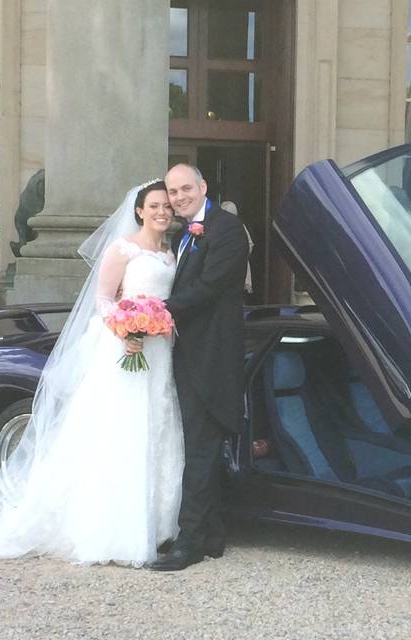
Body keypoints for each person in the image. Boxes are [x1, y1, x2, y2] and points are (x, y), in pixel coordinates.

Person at [0, 181, 185, 567]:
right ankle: (111, 529)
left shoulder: (169, 252)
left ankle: (157, 526)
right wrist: (126, 329)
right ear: (140, 210)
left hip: (159, 351)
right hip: (124, 347)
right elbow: (104, 300)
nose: (162, 212)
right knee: (120, 431)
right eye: (154, 205)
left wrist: (154, 326)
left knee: (157, 428)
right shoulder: (123, 248)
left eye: (167, 207)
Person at [150, 164, 249, 571]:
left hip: (212, 358)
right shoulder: (182, 235)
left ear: (203, 187)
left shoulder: (226, 229)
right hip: (186, 354)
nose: (178, 197)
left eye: (185, 188)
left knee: (201, 448)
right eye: (173, 192)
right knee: (199, 445)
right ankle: (212, 534)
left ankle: (188, 543)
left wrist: (156, 309)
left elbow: (209, 287)